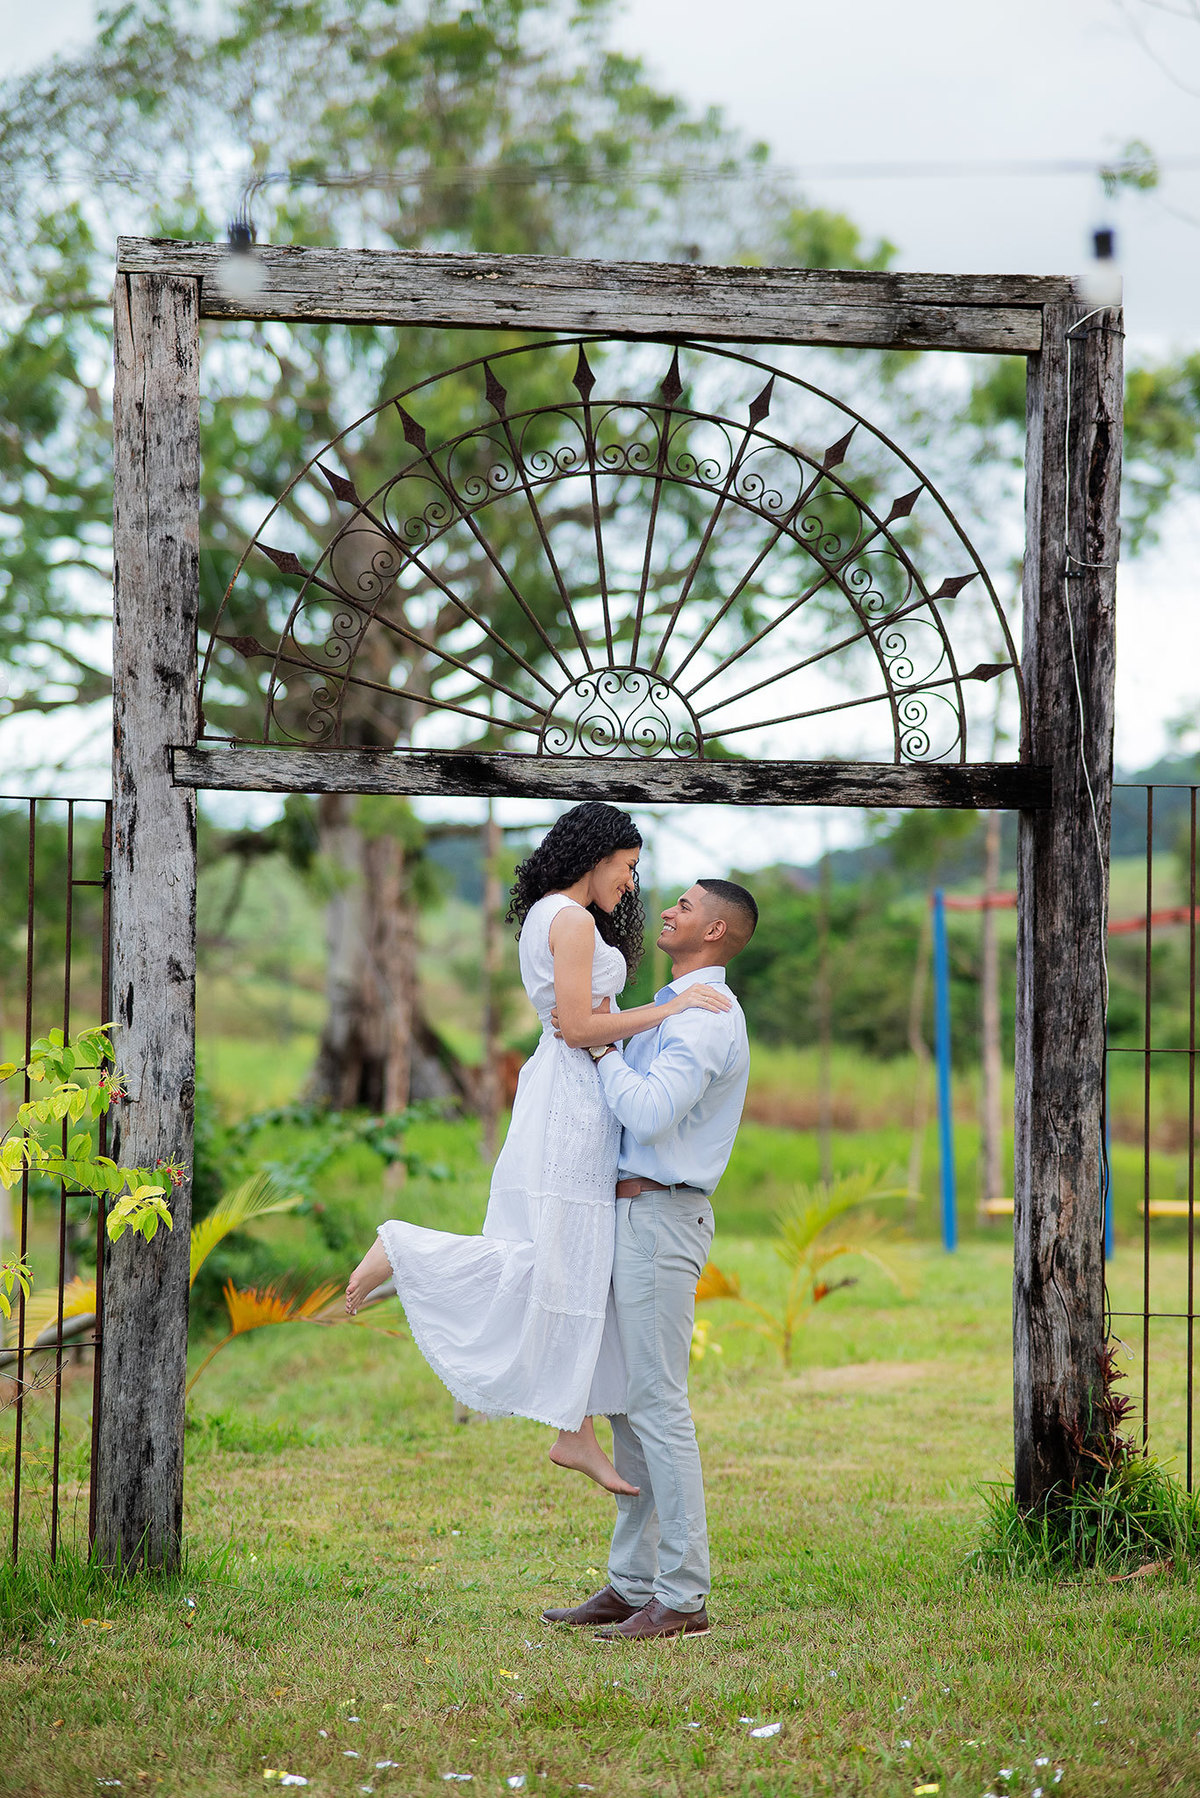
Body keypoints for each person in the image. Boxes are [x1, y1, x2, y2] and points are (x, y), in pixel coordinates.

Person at [344, 801, 731, 1496]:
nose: (633, 884)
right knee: (557, 1254)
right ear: (600, 854)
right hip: (575, 1099)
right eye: (629, 868)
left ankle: (572, 1427)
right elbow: (580, 1026)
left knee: (563, 1260)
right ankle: (404, 1247)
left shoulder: (551, 915)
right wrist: (670, 1008)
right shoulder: (574, 919)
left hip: (567, 1091)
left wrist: (626, 1023)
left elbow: (580, 1022)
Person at [541, 876, 756, 1641]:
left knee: (659, 1407)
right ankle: (632, 1586)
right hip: (633, 1211)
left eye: (688, 907)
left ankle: (684, 1597)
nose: (668, 908)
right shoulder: (676, 1006)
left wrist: (598, 1046)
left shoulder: (706, 1017)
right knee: (632, 1407)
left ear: (718, 933)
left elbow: (649, 1110)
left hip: (662, 1213)